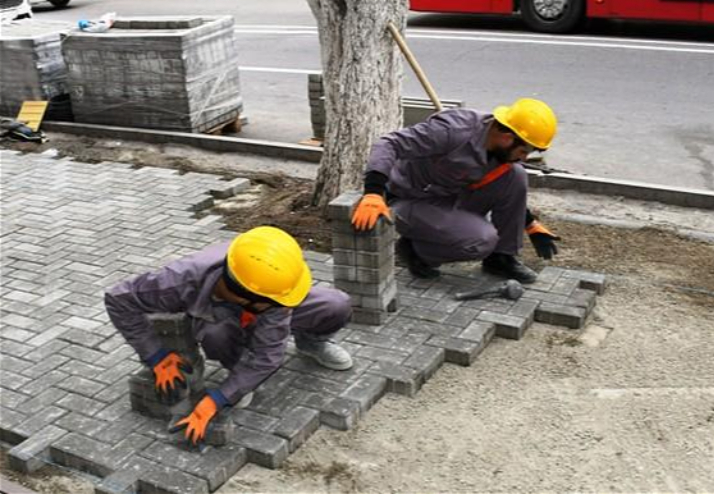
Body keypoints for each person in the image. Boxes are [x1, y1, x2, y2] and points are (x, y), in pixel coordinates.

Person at [105, 226, 353, 446]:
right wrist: (156, 356)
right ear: (244, 297)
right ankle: (238, 366)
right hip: (221, 315)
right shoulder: (179, 281)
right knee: (217, 333)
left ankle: (310, 343)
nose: (280, 307)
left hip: (260, 301)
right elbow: (118, 299)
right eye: (271, 304)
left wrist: (218, 399)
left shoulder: (272, 287)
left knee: (335, 305)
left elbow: (269, 355)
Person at [351, 99, 561, 283]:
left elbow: (499, 184)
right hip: (408, 200)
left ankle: (500, 258)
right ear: (507, 136)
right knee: (481, 240)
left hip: (451, 194)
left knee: (516, 173)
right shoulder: (451, 131)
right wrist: (373, 192)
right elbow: (389, 144)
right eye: (523, 150)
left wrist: (530, 224)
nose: (524, 157)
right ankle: (416, 251)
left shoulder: (498, 147)